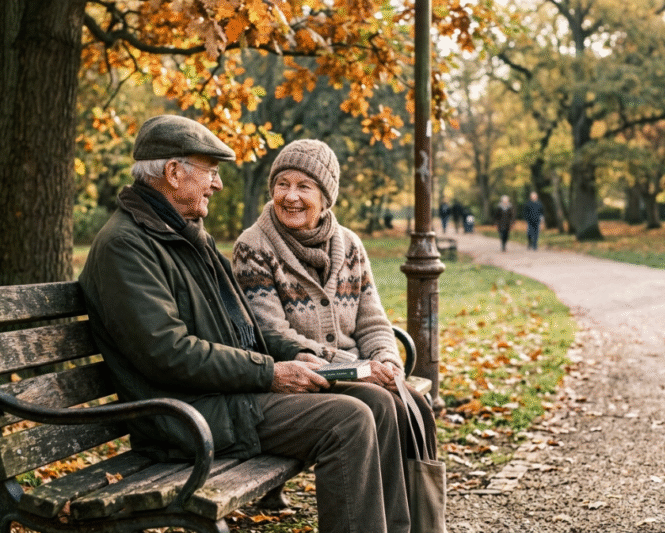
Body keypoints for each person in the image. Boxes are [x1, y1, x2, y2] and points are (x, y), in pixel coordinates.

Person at [78, 116, 410, 533]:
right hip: (184, 417)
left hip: (224, 395)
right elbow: (167, 353)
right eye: (211, 173)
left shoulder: (181, 234)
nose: (216, 185)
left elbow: (246, 327)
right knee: (350, 420)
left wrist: (296, 355)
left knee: (378, 401)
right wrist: (269, 373)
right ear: (173, 172)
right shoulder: (126, 246)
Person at [231, 139, 439, 513]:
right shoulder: (254, 246)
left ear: (326, 197)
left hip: (354, 372)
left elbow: (373, 320)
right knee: (379, 401)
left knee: (412, 403)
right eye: (282, 184)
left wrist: (386, 361)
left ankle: (413, 522)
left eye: (303, 186)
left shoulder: (350, 244)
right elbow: (271, 332)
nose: (290, 196)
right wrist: (356, 367)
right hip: (300, 377)